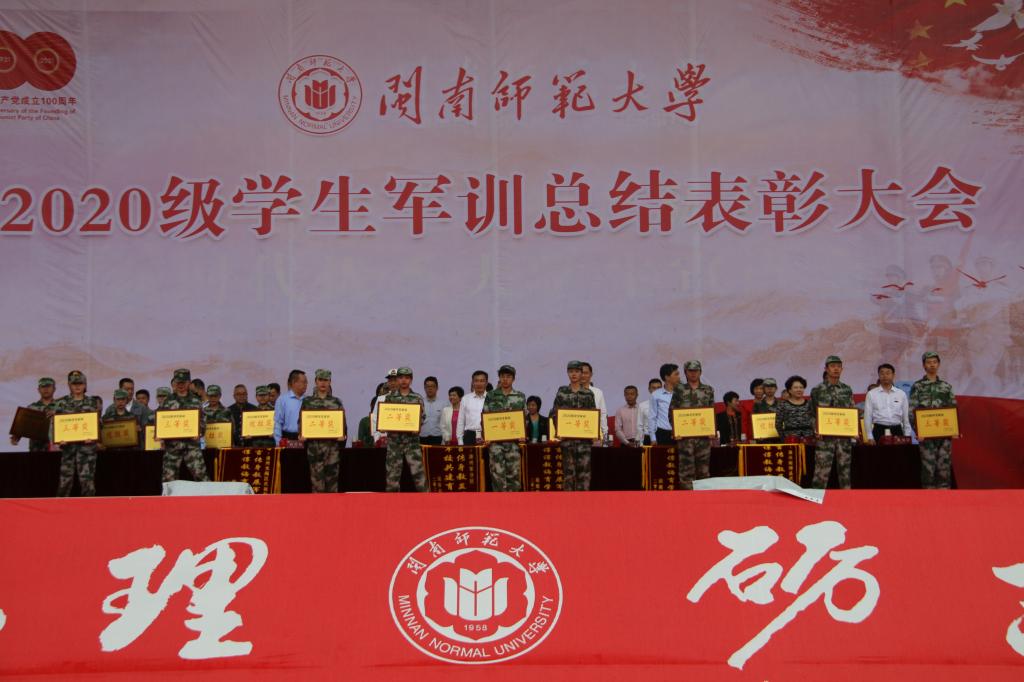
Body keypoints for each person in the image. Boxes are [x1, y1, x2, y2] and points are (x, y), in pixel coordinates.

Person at [909, 351, 957, 488]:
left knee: (944, 467)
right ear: (924, 365)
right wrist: (918, 431)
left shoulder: (946, 386)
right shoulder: (918, 386)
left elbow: (953, 408)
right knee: (928, 467)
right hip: (926, 434)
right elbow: (912, 411)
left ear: (939, 364)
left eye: (935, 362)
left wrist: (955, 429)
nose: (932, 365)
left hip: (944, 434)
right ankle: (928, 497)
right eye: (929, 362)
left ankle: (944, 496)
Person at [550, 360, 597, 491]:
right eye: (571, 371)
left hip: (584, 442)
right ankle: (568, 502)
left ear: (581, 373)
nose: (574, 374)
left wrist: (593, 432)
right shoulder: (562, 392)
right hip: (567, 441)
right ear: (567, 373)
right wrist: (559, 431)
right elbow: (554, 414)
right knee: (568, 475)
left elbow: (592, 415)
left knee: (584, 474)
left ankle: (583, 502)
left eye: (577, 371)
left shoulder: (588, 394)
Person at [810, 356, 856, 489]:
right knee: (821, 473)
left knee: (845, 473)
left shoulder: (847, 389)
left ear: (842, 369)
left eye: (838, 366)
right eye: (832, 366)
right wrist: (816, 429)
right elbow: (811, 413)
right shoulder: (817, 389)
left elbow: (851, 410)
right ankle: (816, 499)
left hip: (844, 439)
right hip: (824, 439)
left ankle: (846, 500)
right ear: (826, 369)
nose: (836, 369)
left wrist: (854, 430)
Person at [671, 360, 715, 489]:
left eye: (696, 370)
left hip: (704, 437)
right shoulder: (679, 390)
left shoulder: (708, 390)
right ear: (685, 372)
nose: (693, 373)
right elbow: (672, 411)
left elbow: (711, 411)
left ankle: (703, 498)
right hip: (685, 439)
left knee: (704, 471)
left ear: (700, 372)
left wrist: (712, 430)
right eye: (690, 371)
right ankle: (687, 498)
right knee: (686, 471)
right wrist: (676, 430)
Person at [483, 365, 527, 492]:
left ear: (513, 379)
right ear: (499, 378)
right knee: (497, 475)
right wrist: (487, 435)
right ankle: (499, 502)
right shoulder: (491, 395)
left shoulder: (520, 396)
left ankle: (514, 502)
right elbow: (485, 416)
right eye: (502, 376)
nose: (505, 379)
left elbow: (524, 418)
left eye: (508, 376)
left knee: (514, 475)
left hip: (513, 443)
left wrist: (523, 433)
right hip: (495, 444)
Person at [159, 368, 209, 482]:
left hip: (191, 445)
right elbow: (161, 420)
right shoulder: (167, 401)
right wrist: (160, 434)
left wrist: (199, 432)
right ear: (174, 383)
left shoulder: (196, 401)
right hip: (172, 446)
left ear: (189, 383)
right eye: (178, 382)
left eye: (183, 382)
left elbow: (203, 420)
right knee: (168, 479)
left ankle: (206, 495)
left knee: (201, 476)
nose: (180, 385)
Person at [382, 367, 426, 492]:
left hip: (412, 443)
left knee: (419, 476)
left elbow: (422, 416)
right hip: (394, 443)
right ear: (397, 379)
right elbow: (384, 417)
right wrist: (383, 425)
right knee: (392, 477)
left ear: (411, 380)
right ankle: (392, 502)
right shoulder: (390, 398)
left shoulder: (417, 398)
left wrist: (417, 426)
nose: (404, 380)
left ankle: (426, 502)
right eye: (401, 378)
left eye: (407, 378)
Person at [301, 369, 345, 493]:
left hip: (332, 448)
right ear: (316, 381)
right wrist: (301, 434)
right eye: (320, 380)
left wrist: (342, 435)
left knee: (332, 484)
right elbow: (301, 421)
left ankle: (332, 506)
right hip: (314, 448)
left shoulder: (336, 402)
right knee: (317, 485)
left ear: (330, 382)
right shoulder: (307, 401)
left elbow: (343, 423)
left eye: (326, 380)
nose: (323, 383)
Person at [864, 363, 912, 443]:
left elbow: (906, 418)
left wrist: (907, 436)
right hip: (878, 430)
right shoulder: (871, 394)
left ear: (893, 375)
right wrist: (869, 436)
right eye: (882, 373)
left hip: (897, 430)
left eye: (888, 373)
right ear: (878, 375)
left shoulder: (901, 394)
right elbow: (867, 417)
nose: (885, 376)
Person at [10, 377, 56, 451]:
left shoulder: (61, 407)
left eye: (48, 386)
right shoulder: (31, 408)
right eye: (43, 387)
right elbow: (22, 426)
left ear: (54, 389)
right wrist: (16, 437)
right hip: (36, 449)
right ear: (38, 390)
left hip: (56, 449)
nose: (46, 389)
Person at [647, 364, 679, 446]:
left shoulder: (682, 393)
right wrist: (653, 438)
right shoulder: (656, 394)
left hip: (680, 434)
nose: (679, 377)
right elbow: (652, 417)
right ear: (667, 377)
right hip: (663, 434)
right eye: (676, 374)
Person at [273, 370, 307, 444]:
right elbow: (278, 423)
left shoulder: (308, 400)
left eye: (306, 382)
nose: (306, 384)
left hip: (305, 438)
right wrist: (278, 442)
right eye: (304, 382)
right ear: (294, 383)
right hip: (288, 437)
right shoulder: (282, 399)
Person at [456, 370, 488, 445]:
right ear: (473, 383)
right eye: (476, 381)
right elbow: (461, 420)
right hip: (470, 435)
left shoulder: (492, 398)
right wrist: (460, 440)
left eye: (482, 381)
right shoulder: (466, 398)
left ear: (486, 383)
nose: (479, 383)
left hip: (487, 435)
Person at [420, 376, 444, 445]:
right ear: (424, 388)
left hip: (438, 438)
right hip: (422, 437)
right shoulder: (419, 403)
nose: (430, 388)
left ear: (437, 388)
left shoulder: (444, 404)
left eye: (432, 386)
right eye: (427, 386)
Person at [638, 378, 660, 445]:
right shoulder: (642, 405)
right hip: (648, 438)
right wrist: (641, 443)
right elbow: (639, 426)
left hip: (664, 437)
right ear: (649, 389)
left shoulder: (667, 404)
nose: (656, 390)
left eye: (658, 388)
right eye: (653, 388)